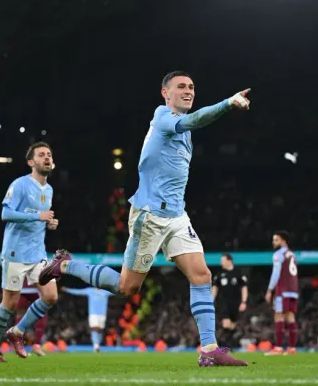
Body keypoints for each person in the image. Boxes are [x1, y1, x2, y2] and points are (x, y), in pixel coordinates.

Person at [40, 71, 250, 367]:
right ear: (165, 93)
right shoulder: (164, 116)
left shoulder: (183, 130)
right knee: (128, 288)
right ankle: (65, 264)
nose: (188, 91)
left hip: (177, 215)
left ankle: (209, 349)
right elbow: (194, 119)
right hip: (150, 215)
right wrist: (229, 103)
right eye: (181, 87)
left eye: (191, 87)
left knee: (202, 275)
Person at [0, 142, 67, 363]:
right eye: (41, 155)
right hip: (15, 252)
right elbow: (6, 214)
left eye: (49, 154)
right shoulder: (19, 185)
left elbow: (39, 216)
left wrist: (48, 223)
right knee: (9, 303)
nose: (47, 157)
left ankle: (17, 332)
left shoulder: (48, 190)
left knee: (51, 296)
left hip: (37, 253)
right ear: (31, 162)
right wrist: (37, 217)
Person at [264, 230, 299, 356]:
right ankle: (292, 348)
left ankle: (278, 348)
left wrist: (269, 290)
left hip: (283, 290)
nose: (274, 242)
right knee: (290, 317)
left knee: (279, 316)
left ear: (283, 241)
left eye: (276, 240)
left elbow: (276, 273)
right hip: (293, 290)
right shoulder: (292, 254)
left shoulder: (278, 254)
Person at [61, 287, 114, 352]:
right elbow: (78, 291)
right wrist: (67, 289)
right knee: (94, 328)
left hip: (102, 314)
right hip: (93, 314)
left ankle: (98, 344)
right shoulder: (90, 291)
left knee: (100, 330)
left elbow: (117, 292)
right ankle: (95, 345)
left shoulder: (105, 292)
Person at [212, 254, 248, 348]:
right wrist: (211, 299)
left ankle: (229, 345)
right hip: (223, 302)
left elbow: (244, 288)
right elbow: (215, 287)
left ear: (229, 260)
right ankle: (222, 344)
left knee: (232, 325)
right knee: (226, 323)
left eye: (223, 260)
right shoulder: (219, 274)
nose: (221, 263)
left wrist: (244, 301)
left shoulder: (238, 273)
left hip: (235, 302)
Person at [14, 284, 48, 356]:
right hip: (35, 285)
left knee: (20, 314)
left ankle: (18, 347)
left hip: (21, 286)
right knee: (41, 313)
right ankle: (36, 345)